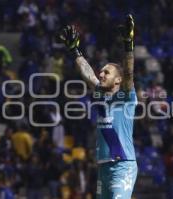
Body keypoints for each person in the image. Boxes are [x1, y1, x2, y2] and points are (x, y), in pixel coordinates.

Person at [59, 14, 137, 199]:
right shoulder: (100, 94)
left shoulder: (126, 96)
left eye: (106, 72)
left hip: (123, 164)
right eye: (101, 71)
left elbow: (129, 72)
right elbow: (87, 73)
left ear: (118, 79)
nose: (101, 74)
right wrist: (75, 51)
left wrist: (128, 45)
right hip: (103, 166)